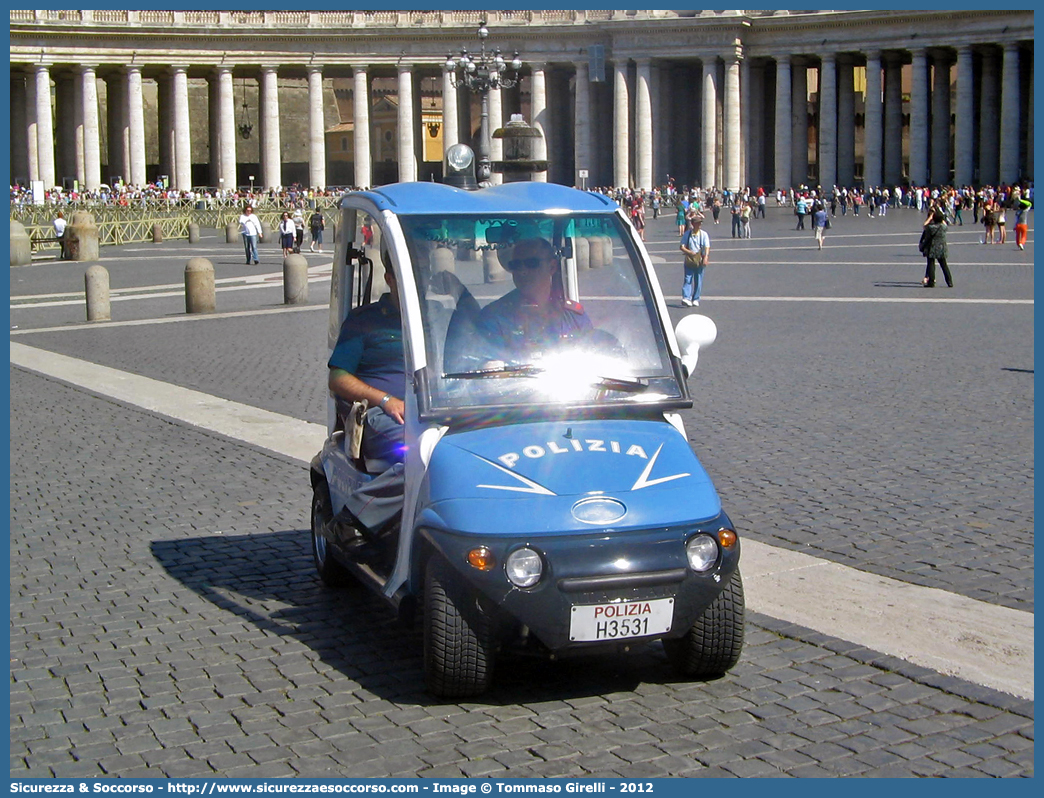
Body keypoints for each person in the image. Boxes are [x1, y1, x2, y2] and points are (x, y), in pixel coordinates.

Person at [328, 252, 406, 473]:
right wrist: (385, 400)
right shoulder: (364, 320)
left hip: (432, 409)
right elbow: (337, 378)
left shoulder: (436, 315)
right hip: (381, 412)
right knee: (425, 448)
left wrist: (462, 294)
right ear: (390, 280)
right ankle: (362, 506)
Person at [476, 237, 593, 363]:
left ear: (552, 267)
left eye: (531, 263)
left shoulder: (573, 316)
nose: (523, 271)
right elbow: (487, 371)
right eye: (516, 265)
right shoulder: (494, 318)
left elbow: (593, 357)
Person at [679, 213, 710, 307]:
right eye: (697, 223)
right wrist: (689, 252)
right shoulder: (687, 234)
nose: (699, 225)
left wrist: (706, 257)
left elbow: (707, 247)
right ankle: (686, 297)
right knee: (687, 278)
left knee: (698, 279)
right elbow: (681, 246)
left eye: (700, 223)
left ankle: (696, 298)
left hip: (699, 259)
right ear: (693, 224)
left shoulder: (703, 234)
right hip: (689, 259)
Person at [919, 210, 953, 288]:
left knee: (931, 264)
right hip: (942, 247)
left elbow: (924, 226)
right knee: (944, 265)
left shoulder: (930, 228)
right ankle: (949, 281)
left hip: (932, 247)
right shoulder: (943, 227)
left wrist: (930, 218)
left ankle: (931, 282)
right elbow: (945, 224)